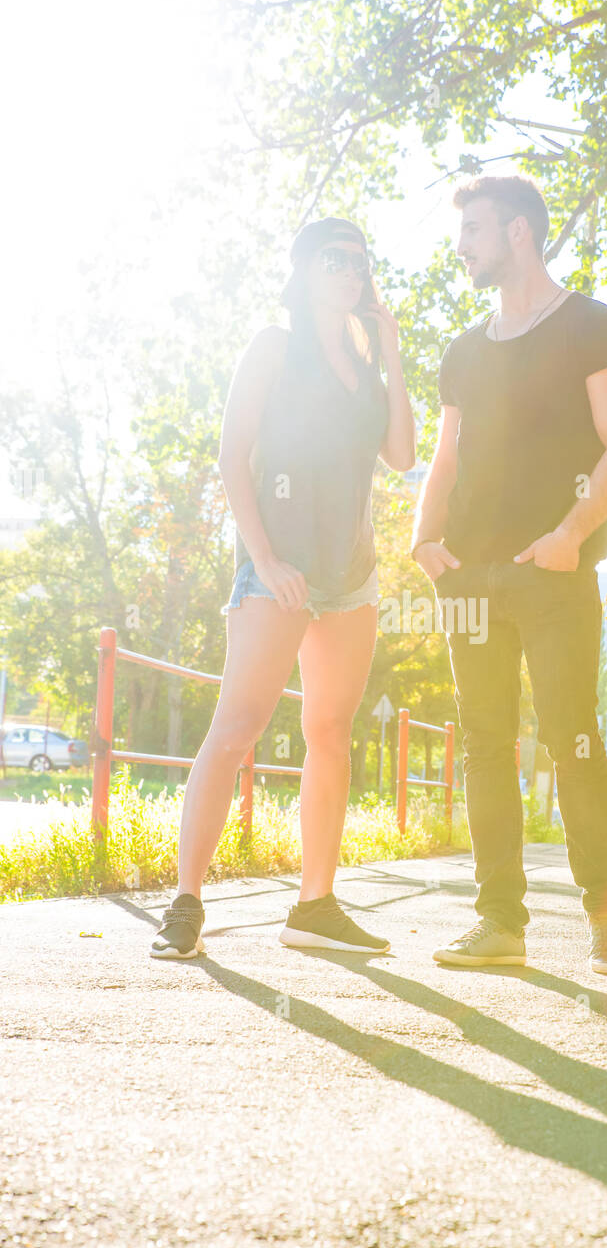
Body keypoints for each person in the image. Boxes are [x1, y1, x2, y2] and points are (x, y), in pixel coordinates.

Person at [150, 218, 415, 959]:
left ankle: (315, 906)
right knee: (236, 727)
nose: (351, 272)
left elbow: (401, 455)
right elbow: (233, 457)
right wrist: (262, 559)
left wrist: (390, 349)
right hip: (279, 570)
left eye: (361, 263)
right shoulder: (273, 345)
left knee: (330, 734)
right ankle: (185, 904)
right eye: (335, 260)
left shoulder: (365, 365)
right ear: (302, 271)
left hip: (351, 577)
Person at [412, 175, 607, 974]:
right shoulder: (464, 350)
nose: (461, 245)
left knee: (570, 739)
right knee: (483, 746)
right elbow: (446, 457)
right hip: (470, 578)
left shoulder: (592, 326)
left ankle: (604, 919)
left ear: (517, 232)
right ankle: (500, 924)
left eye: (472, 228)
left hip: (554, 572)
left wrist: (569, 534)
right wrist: (423, 540)